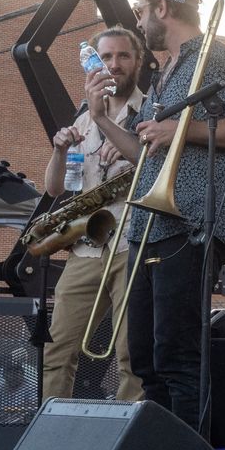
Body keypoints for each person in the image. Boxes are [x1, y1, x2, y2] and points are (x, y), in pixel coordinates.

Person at [86, 0, 225, 433]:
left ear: (163, 7)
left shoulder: (219, 57)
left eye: (141, 10)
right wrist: (101, 119)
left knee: (178, 358)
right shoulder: (164, 73)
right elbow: (144, 154)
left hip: (190, 226)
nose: (139, 20)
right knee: (146, 361)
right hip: (148, 227)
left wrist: (179, 130)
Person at [40, 26, 146, 403]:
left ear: (138, 61)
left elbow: (153, 166)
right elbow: (55, 189)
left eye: (123, 56)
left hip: (130, 243)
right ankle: (51, 426)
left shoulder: (151, 111)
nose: (114, 65)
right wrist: (59, 151)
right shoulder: (83, 119)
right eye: (106, 57)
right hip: (87, 247)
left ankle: (128, 431)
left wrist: (105, 120)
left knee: (130, 354)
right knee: (56, 349)